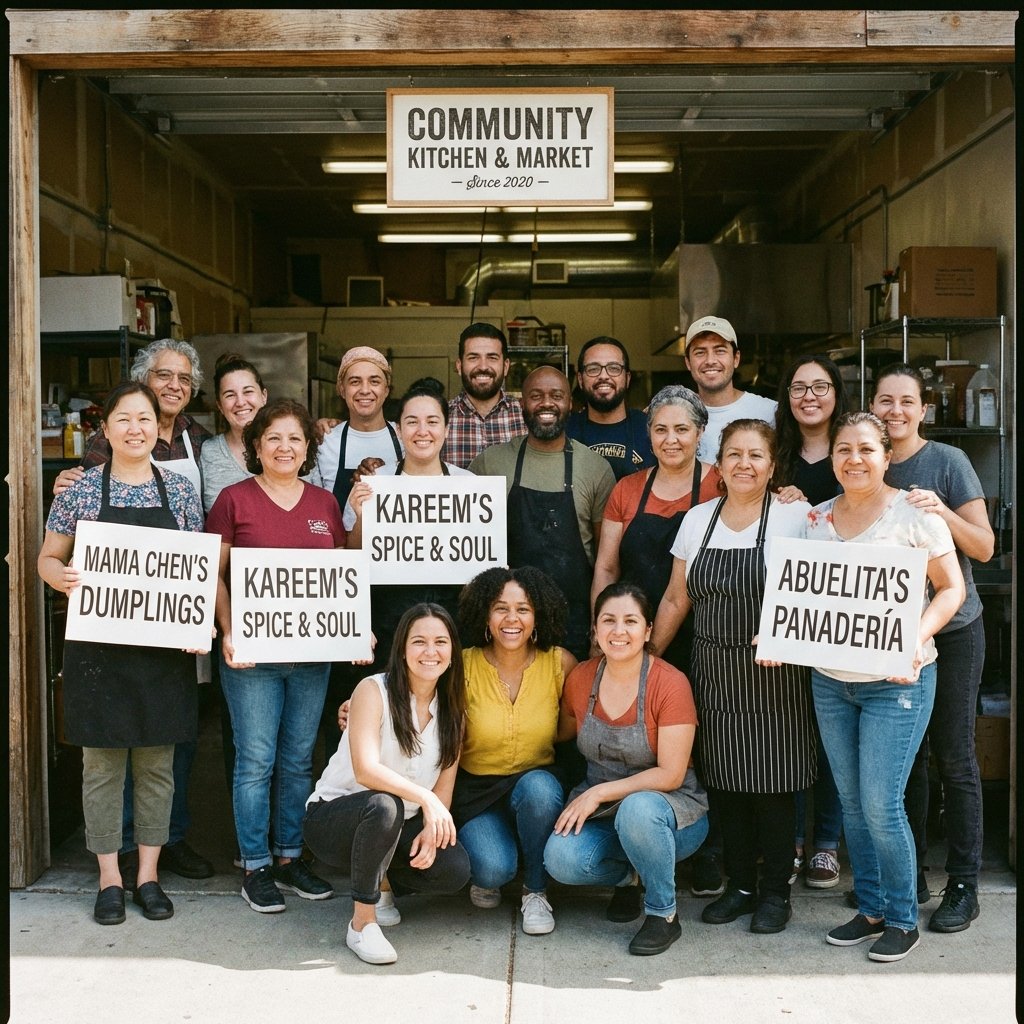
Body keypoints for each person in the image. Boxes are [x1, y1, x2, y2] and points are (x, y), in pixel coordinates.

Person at [37, 381, 206, 925]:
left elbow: (193, 574)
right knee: (102, 767)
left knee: (158, 767)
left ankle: (148, 875)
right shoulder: (82, 491)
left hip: (161, 654)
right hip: (99, 653)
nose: (136, 429)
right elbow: (45, 558)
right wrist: (62, 578)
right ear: (104, 429)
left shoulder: (179, 493)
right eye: (124, 419)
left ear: (160, 429)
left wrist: (194, 620)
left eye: (145, 419)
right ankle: (109, 876)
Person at [808, 411, 965, 963]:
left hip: (898, 682)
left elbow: (951, 590)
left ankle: (901, 918)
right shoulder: (816, 519)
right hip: (831, 682)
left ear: (886, 456)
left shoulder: (915, 515)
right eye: (844, 449)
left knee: (881, 804)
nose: (854, 459)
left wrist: (914, 640)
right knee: (852, 804)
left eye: (866, 449)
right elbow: (804, 599)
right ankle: (871, 908)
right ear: (832, 458)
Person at [650, 418, 816, 935]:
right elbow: (678, 597)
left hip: (777, 675)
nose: (744, 465)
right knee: (725, 784)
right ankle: (740, 885)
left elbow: (815, 595)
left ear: (772, 466)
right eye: (734, 455)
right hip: (714, 672)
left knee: (773, 786)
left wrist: (785, 640)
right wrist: (647, 658)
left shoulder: (795, 516)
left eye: (756, 456)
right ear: (718, 464)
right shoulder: (698, 519)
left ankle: (775, 894)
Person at [206, 397, 345, 914]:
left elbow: (341, 580)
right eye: (273, 438)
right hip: (252, 656)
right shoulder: (233, 501)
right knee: (255, 762)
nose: (284, 447)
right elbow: (214, 575)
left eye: (295, 439)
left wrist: (352, 633)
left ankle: (290, 858)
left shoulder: (324, 505)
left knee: (297, 761)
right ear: (256, 446)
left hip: (311, 657)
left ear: (308, 448)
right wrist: (227, 630)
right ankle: (254, 865)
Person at [870, 364, 993, 932]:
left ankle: (964, 883)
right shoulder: (862, 458)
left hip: (953, 631)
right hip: (886, 638)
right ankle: (911, 873)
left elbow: (985, 548)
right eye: (884, 401)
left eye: (906, 402)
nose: (894, 411)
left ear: (923, 410)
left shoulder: (946, 462)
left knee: (954, 757)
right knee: (907, 763)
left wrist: (939, 509)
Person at [589, 383, 724, 897]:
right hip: (629, 636)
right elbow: (606, 565)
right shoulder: (628, 489)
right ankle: (633, 852)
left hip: (704, 637)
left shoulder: (719, 484)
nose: (671, 439)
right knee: (639, 745)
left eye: (682, 429)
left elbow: (684, 589)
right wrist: (604, 635)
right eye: (661, 429)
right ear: (647, 434)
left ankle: (705, 851)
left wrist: (654, 650)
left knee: (707, 745)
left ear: (700, 434)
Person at [543, 582, 709, 957]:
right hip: (604, 817)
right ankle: (630, 876)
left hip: (671, 817)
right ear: (596, 629)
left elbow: (670, 774)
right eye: (609, 620)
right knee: (560, 859)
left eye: (631, 621)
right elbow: (558, 733)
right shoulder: (582, 678)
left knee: (638, 809)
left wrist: (598, 792)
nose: (619, 631)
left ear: (648, 630)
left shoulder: (670, 683)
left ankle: (663, 913)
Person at [303, 604, 471, 965]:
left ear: (453, 651)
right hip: (336, 818)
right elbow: (366, 770)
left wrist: (430, 826)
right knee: (384, 804)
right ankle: (362, 923)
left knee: (454, 868)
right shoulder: (372, 690)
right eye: (419, 641)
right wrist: (425, 799)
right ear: (402, 648)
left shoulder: (454, 710)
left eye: (441, 642)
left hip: (398, 822)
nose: (431, 651)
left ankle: (384, 878)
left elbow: (444, 790)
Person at [454, 566, 577, 935]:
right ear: (485, 615)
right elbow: (411, 702)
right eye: (500, 608)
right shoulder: (462, 664)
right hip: (477, 791)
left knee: (538, 788)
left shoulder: (559, 662)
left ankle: (535, 890)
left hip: (535, 784)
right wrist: (356, 704)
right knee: (494, 869)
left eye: (523, 608)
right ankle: (494, 856)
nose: (512, 619)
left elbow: (569, 728)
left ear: (538, 614)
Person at [469, 365, 616, 660]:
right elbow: (467, 547)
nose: (546, 403)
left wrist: (599, 627)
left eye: (556, 395)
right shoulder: (490, 464)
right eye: (536, 396)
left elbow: (606, 563)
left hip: (572, 626)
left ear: (570, 404)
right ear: (522, 404)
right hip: (506, 627)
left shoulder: (595, 467)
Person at [773, 355, 850, 890]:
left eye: (820, 387)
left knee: (833, 738)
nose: (809, 396)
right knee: (796, 732)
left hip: (848, 613)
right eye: (799, 387)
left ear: (836, 394)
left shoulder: (853, 450)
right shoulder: (777, 457)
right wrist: (781, 501)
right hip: (792, 610)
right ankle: (795, 840)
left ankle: (826, 842)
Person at [345, 378, 473, 675]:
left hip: (452, 619)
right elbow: (351, 559)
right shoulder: (375, 483)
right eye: (412, 422)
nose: (423, 431)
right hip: (388, 619)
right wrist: (362, 517)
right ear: (399, 430)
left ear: (446, 429)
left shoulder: (469, 485)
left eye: (432, 421)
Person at [312, 346, 403, 507]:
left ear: (386, 390)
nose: (365, 390)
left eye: (374, 381)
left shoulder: (406, 438)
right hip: (338, 533)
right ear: (342, 389)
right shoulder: (324, 441)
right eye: (355, 382)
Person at [683, 316, 777, 463]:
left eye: (720, 351)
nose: (710, 361)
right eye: (700, 352)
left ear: (736, 359)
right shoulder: (673, 414)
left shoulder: (770, 412)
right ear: (688, 362)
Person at [566, 335, 654, 480]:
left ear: (627, 378)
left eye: (614, 368)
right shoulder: (564, 432)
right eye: (593, 369)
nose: (603, 376)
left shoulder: (651, 429)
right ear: (580, 380)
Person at [443, 322, 526, 469]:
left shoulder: (525, 416)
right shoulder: (440, 419)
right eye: (473, 357)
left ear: (506, 366)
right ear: (459, 366)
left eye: (492, 358)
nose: (483, 366)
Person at [198, 352, 269, 514]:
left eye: (248, 391)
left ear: (263, 396)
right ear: (220, 406)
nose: (240, 402)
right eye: (230, 395)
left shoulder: (289, 446)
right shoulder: (208, 452)